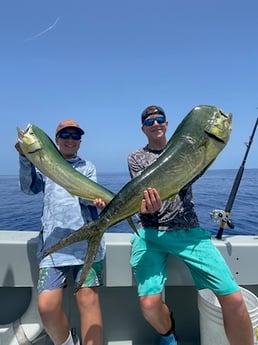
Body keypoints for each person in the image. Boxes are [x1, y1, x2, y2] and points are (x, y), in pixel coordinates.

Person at [126, 105, 254, 345]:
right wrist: (148, 207)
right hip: (150, 234)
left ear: (167, 123)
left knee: (233, 298)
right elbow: (143, 196)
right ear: (143, 128)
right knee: (149, 306)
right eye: (149, 121)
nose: (155, 124)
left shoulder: (188, 148)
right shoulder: (135, 158)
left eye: (159, 119)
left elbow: (197, 170)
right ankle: (169, 336)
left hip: (189, 233)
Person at [15, 119, 104, 345]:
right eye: (65, 135)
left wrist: (97, 202)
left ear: (80, 141)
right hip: (54, 247)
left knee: (88, 300)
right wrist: (25, 158)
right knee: (46, 306)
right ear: (56, 140)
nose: (71, 140)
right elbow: (28, 188)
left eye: (76, 136)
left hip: (87, 247)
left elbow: (88, 198)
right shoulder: (43, 163)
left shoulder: (88, 167)